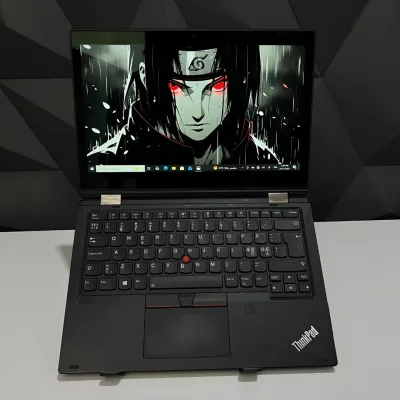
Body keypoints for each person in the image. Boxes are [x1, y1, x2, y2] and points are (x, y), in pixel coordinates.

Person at [88, 39, 279, 166]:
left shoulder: (260, 159)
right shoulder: (109, 161)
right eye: (178, 87)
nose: (198, 113)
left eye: (217, 86)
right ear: (147, 79)